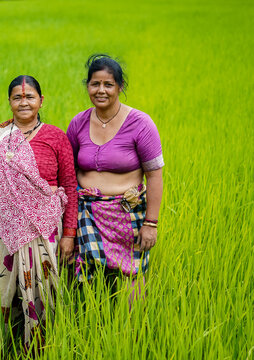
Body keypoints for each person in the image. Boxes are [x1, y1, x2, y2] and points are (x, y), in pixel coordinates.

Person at [0, 75, 78, 349]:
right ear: (9, 102)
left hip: (44, 231)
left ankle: (41, 348)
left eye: (30, 96)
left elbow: (69, 185)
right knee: (1, 291)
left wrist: (69, 234)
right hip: (4, 232)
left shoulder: (56, 137)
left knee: (43, 295)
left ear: (41, 100)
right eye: (17, 97)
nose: (24, 102)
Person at [66, 54, 164, 297]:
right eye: (95, 84)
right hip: (86, 212)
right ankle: (90, 324)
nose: (101, 90)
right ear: (87, 86)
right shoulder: (78, 123)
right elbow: (68, 174)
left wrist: (151, 223)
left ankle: (132, 332)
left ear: (120, 87)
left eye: (108, 84)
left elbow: (154, 175)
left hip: (126, 212)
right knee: (84, 273)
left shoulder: (141, 123)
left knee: (132, 272)